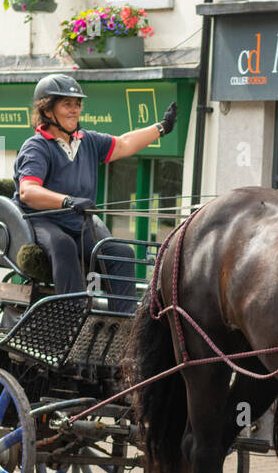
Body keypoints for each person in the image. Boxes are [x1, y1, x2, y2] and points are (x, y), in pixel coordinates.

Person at [13, 73, 179, 303]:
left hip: (78, 223)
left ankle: (125, 322)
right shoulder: (37, 147)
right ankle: (73, 318)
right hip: (41, 220)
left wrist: (162, 128)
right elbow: (28, 192)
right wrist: (67, 201)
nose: (75, 109)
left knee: (122, 254)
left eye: (78, 104)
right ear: (47, 110)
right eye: (67, 104)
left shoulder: (87, 141)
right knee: (63, 245)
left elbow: (124, 143)